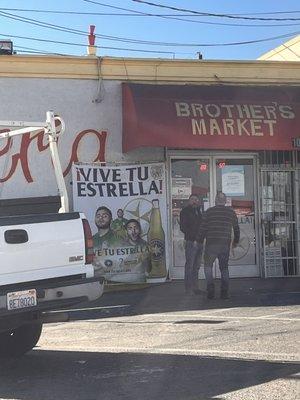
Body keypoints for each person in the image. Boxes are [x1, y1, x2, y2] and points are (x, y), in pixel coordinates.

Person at [197, 192, 240, 300]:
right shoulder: (231, 212)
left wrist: (199, 241)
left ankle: (210, 290)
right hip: (224, 244)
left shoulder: (209, 212)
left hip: (211, 243)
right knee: (224, 268)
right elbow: (236, 228)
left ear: (216, 200)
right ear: (225, 201)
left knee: (208, 267)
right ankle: (224, 292)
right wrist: (235, 241)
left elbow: (203, 228)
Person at [179, 194, 203, 295]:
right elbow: (183, 227)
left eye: (196, 199)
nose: (194, 201)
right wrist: (193, 238)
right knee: (190, 265)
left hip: (200, 242)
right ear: (189, 201)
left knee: (196, 266)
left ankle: (196, 288)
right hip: (191, 242)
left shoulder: (199, 211)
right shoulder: (185, 211)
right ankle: (188, 289)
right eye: (192, 199)